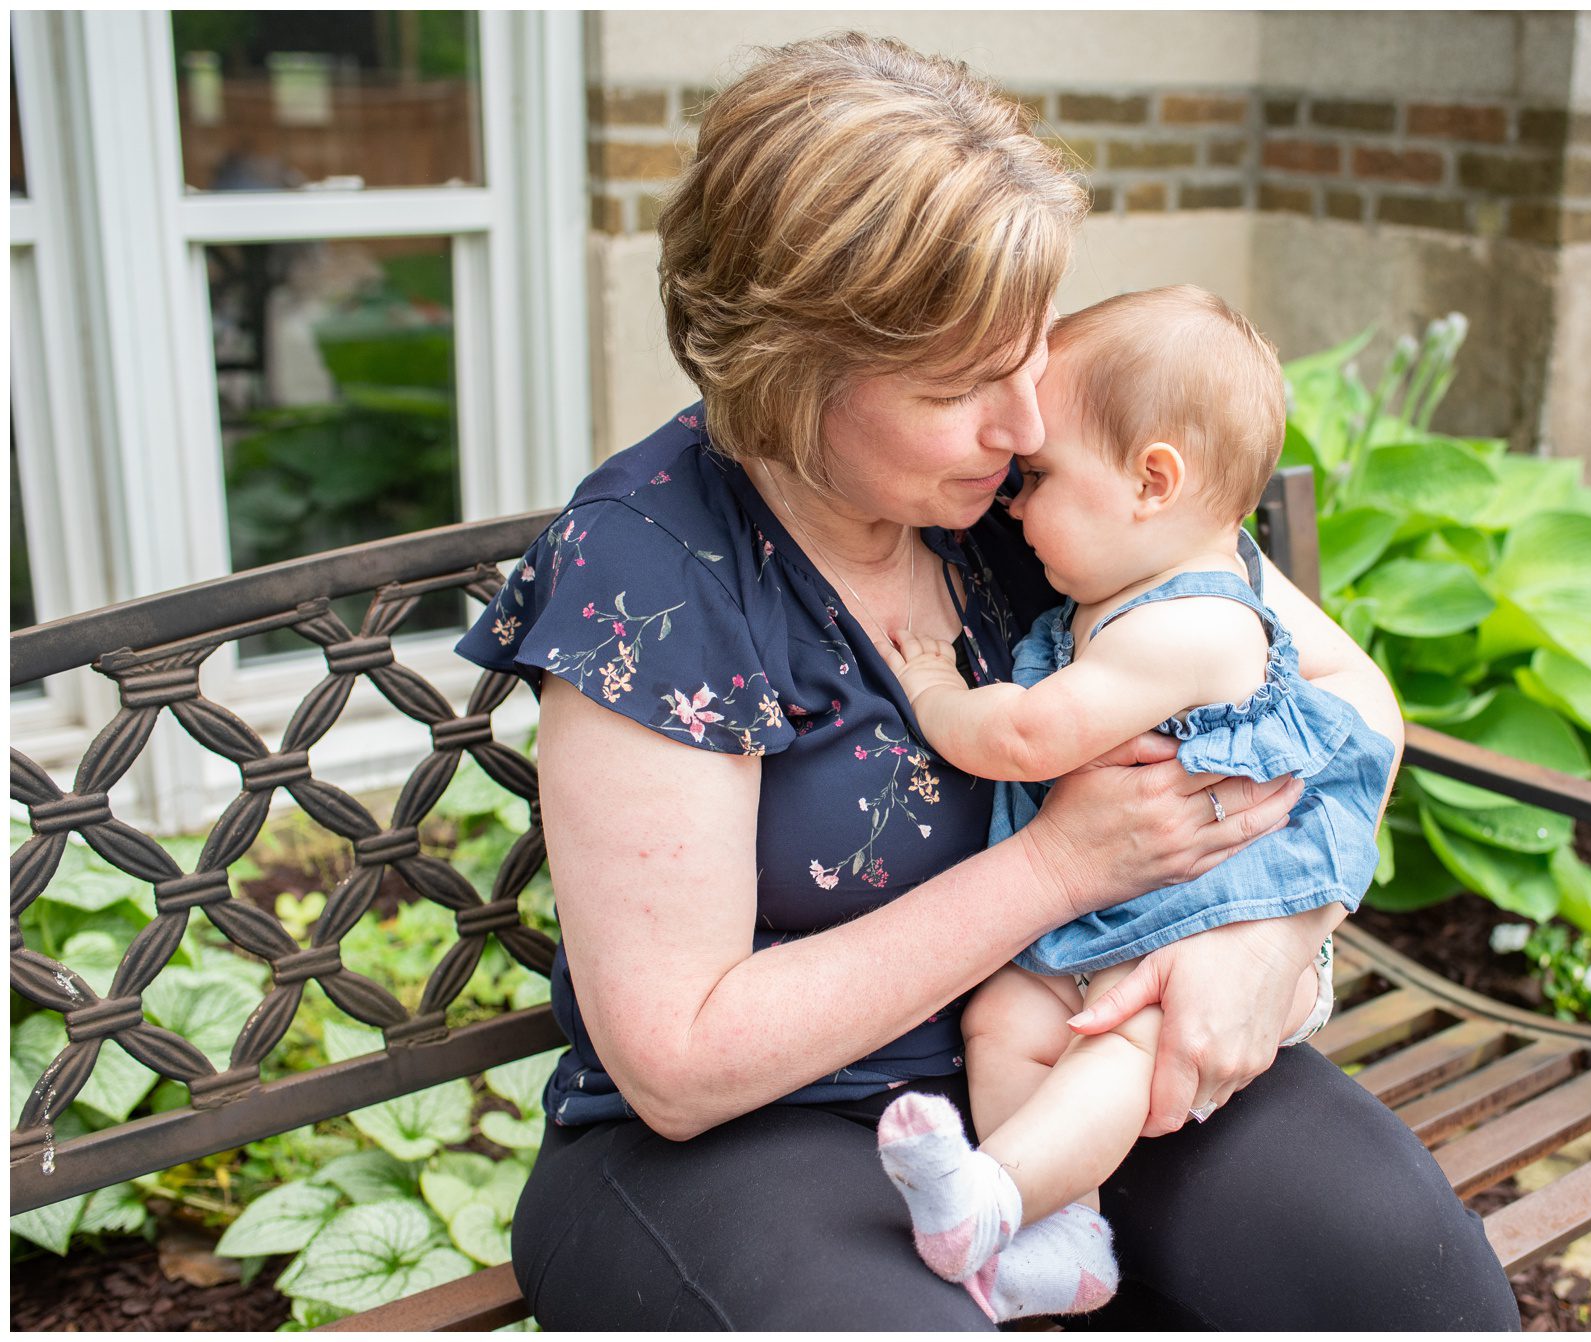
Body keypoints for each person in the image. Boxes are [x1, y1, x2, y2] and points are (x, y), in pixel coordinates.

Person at [456, 31, 1520, 1330]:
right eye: (963, 383)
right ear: (791, 375)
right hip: (749, 1135)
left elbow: (1350, 699)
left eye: (1028, 350)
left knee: (1397, 1269)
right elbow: (680, 1060)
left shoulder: (1036, 489)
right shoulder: (659, 566)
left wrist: (1268, 934)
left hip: (1072, 1050)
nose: (1023, 423)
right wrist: (1061, 867)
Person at [873, 285, 1398, 1313]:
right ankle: (1053, 1233)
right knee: (1003, 1014)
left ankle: (997, 1195)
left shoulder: (1188, 624)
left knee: (1120, 1045)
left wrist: (932, 682)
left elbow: (1027, 738)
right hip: (1108, 925)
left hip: (1197, 939)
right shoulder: (1123, 583)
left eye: (1039, 476)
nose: (1013, 501)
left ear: (1152, 481)